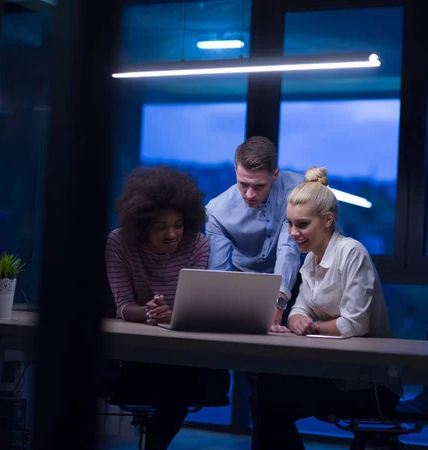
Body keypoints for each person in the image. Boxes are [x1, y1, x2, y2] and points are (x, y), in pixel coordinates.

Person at [251, 167, 402, 450]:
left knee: (269, 395)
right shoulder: (311, 260)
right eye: (290, 224)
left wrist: (312, 327)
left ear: (328, 220)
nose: (294, 233)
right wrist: (296, 320)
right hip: (337, 374)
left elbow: (354, 325)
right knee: (266, 388)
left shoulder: (352, 252)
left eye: (302, 225)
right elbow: (299, 309)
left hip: (370, 385)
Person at [104, 165, 231, 450]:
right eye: (160, 227)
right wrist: (148, 313)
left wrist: (174, 314)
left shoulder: (198, 244)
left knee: (180, 384)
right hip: (139, 356)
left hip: (185, 356)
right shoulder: (119, 243)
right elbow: (123, 305)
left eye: (178, 224)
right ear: (141, 225)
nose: (172, 234)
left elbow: (194, 305)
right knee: (174, 389)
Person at [205, 136, 303, 326]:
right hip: (242, 284)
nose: (250, 194)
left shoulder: (298, 191)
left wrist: (279, 301)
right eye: (243, 184)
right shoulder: (216, 212)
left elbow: (288, 248)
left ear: (275, 175)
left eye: (259, 186)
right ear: (235, 171)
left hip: (295, 286)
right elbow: (218, 273)